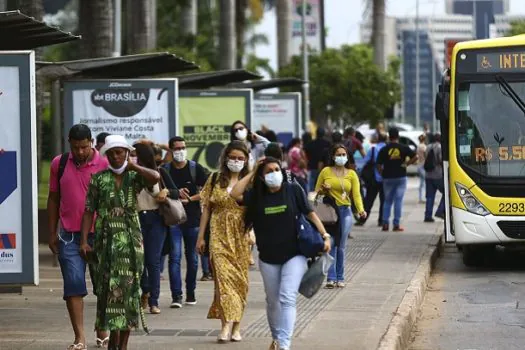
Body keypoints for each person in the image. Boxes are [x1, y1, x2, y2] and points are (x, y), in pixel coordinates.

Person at [230, 157, 331, 350]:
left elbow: (310, 213)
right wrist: (253, 171)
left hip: (295, 254)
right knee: (272, 300)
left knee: (287, 297)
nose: (274, 173)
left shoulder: (293, 190)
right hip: (268, 257)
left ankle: (284, 344)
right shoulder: (256, 195)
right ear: (261, 177)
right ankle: (276, 339)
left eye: (277, 169)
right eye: (268, 171)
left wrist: (324, 235)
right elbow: (234, 194)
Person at [79, 135, 160, 350]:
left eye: (120, 152)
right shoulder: (98, 178)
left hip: (131, 243)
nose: (116, 156)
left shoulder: (134, 177)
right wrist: (84, 240)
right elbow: (88, 211)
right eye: (112, 153)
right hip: (105, 244)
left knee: (129, 294)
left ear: (126, 153)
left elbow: (155, 177)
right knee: (107, 293)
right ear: (106, 155)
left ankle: (122, 345)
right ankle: (111, 342)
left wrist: (134, 166)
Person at [47, 124, 109, 350]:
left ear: (91, 142)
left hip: (100, 234)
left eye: (84, 147)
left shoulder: (104, 163)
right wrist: (51, 232)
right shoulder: (59, 163)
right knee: (73, 284)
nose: (80, 152)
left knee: (103, 285)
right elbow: (53, 198)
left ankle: (102, 328)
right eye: (76, 148)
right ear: (69, 143)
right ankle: (80, 337)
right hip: (68, 236)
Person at [196, 141, 251, 343]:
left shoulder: (250, 182)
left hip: (241, 237)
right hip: (218, 234)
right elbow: (207, 209)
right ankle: (226, 325)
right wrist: (201, 236)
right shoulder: (214, 178)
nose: (236, 161)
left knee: (239, 282)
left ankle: (237, 326)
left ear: (246, 160)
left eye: (240, 158)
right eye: (232, 157)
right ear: (225, 158)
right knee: (222, 281)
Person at [134, 142, 179, 315]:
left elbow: (175, 192)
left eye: (135, 155)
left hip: (155, 219)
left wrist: (166, 192)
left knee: (153, 261)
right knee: (138, 261)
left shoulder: (160, 172)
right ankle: (144, 289)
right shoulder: (130, 174)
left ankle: (154, 300)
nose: (132, 158)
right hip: (136, 218)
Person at [165, 136, 210, 308]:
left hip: (192, 219)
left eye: (183, 147)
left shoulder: (194, 168)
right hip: (173, 218)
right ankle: (176, 296)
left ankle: (190, 293)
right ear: (170, 150)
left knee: (193, 259)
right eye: (176, 148)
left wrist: (190, 199)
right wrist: (174, 192)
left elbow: (207, 191)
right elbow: (159, 191)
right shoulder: (165, 170)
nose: (180, 151)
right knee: (174, 257)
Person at [316, 144, 366, 289]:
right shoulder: (325, 171)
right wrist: (323, 191)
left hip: (345, 212)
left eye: (344, 155)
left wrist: (361, 210)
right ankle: (331, 278)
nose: (341, 157)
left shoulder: (351, 174)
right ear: (333, 156)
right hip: (330, 212)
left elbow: (356, 194)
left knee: (341, 245)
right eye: (338, 154)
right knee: (331, 243)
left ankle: (340, 277)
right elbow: (315, 194)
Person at [376, 127, 418, 231]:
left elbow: (378, 164)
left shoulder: (384, 149)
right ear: (398, 136)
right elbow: (416, 156)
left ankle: (385, 224)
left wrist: (382, 173)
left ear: (389, 137)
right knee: (398, 201)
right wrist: (407, 164)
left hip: (387, 178)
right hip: (400, 177)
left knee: (387, 201)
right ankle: (396, 224)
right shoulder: (403, 147)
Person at [358, 132, 387, 227]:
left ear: (378, 139)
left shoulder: (373, 149)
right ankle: (381, 220)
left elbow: (365, 161)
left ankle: (362, 219)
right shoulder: (388, 149)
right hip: (385, 179)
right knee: (384, 201)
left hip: (373, 179)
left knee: (369, 200)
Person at [424, 133, 445, 222]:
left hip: (428, 175)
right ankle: (440, 211)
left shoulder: (428, 147)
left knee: (429, 196)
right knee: (447, 193)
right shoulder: (439, 147)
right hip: (438, 175)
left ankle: (428, 216)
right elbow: (440, 160)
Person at [304, 127, 331, 192]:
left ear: (316, 134)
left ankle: (311, 198)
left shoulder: (310, 143)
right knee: (324, 184)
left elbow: (305, 153)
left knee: (312, 184)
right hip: (324, 167)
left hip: (312, 166)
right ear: (324, 134)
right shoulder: (328, 143)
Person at [416, 134, 427, 203]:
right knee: (424, 183)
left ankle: (421, 197)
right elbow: (426, 154)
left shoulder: (418, 146)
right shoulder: (423, 146)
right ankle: (423, 198)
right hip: (423, 165)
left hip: (419, 164)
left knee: (421, 182)